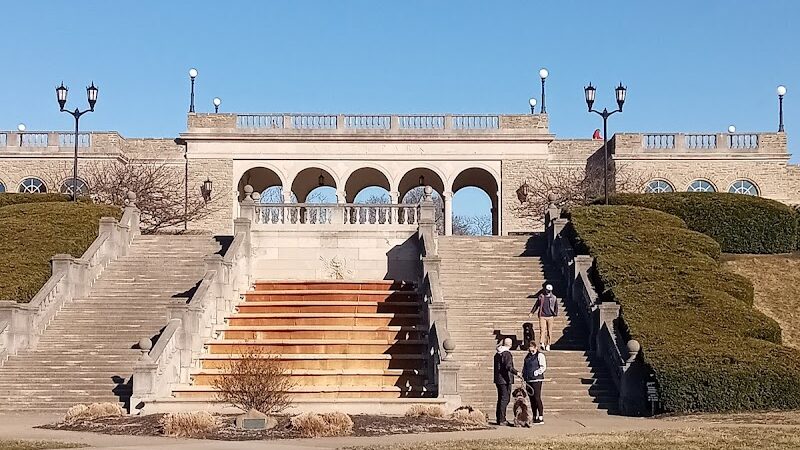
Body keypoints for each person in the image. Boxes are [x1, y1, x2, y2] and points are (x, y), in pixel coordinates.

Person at [493, 337, 518, 426]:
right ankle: (502, 419)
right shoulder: (506, 354)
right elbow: (508, 366)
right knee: (505, 399)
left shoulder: (497, 353)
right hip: (505, 379)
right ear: (510, 345)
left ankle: (499, 418)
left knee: (500, 399)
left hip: (498, 379)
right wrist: (516, 372)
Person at [522, 344, 547, 424]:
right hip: (528, 380)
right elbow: (525, 367)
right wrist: (523, 375)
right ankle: (534, 415)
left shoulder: (540, 355)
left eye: (532, 347)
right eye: (529, 347)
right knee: (531, 399)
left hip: (536, 379)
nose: (530, 349)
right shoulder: (527, 356)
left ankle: (540, 416)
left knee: (537, 397)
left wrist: (537, 372)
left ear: (535, 347)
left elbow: (543, 366)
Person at [530, 284, 558, 351]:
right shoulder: (541, 296)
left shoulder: (553, 298)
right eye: (547, 290)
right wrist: (532, 312)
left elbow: (556, 307)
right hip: (542, 315)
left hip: (550, 316)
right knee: (542, 330)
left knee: (549, 331)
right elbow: (536, 305)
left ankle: (548, 344)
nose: (547, 292)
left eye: (549, 291)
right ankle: (542, 342)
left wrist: (555, 313)